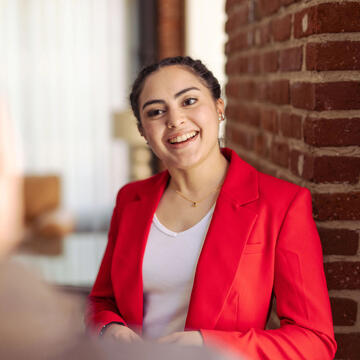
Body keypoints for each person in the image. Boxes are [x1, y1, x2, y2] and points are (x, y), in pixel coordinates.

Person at [86, 56, 337, 359]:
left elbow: (315, 340)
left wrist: (210, 345)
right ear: (143, 131)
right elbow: (102, 301)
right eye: (156, 111)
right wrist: (109, 328)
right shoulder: (130, 199)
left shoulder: (282, 204)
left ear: (219, 108)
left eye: (189, 101)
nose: (175, 120)